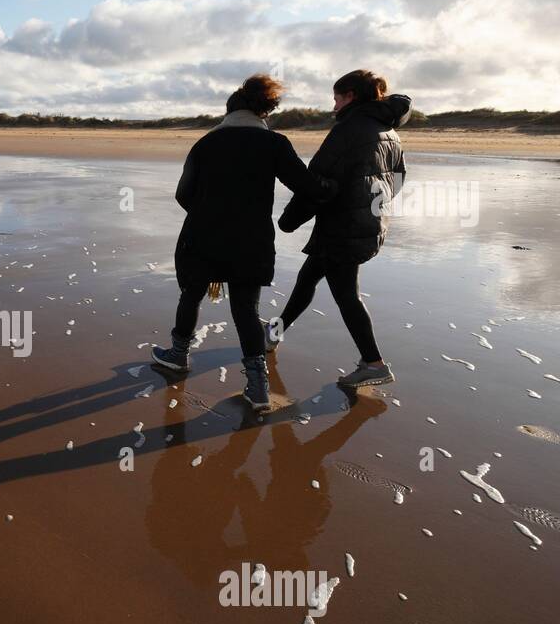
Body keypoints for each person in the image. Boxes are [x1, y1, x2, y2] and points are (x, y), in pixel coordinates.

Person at [151, 74, 334, 412]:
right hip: (251, 241)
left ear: (229, 112)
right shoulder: (275, 144)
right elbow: (309, 188)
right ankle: (258, 389)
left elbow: (183, 194)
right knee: (246, 312)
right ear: (264, 112)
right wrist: (331, 190)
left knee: (191, 295)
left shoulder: (206, 143)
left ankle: (177, 356)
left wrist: (208, 214)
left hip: (202, 236)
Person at [269, 70, 412, 388]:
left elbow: (318, 180)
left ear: (351, 96)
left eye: (336, 97)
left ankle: (374, 364)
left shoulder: (349, 130)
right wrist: (373, 208)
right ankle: (273, 334)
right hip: (364, 224)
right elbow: (398, 178)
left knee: (346, 295)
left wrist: (289, 221)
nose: (333, 105)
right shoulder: (388, 131)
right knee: (306, 280)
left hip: (344, 228)